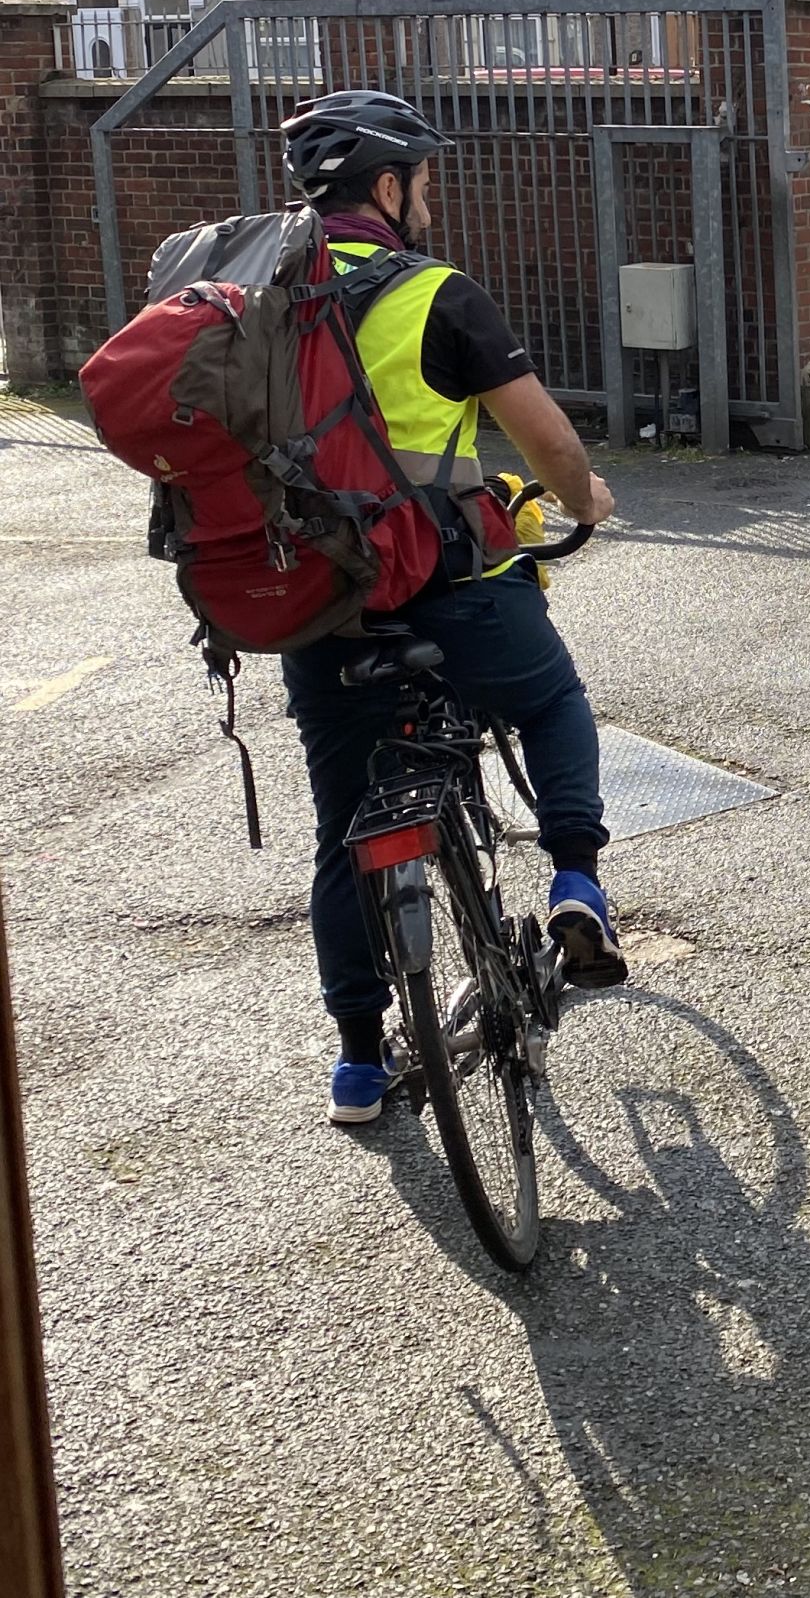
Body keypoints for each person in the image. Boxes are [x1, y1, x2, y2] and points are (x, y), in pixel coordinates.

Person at [272, 90, 626, 1129]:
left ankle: (355, 1064)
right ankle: (576, 880)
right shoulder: (438, 294)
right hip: (450, 583)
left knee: (344, 830)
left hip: (320, 601)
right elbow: (548, 442)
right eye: (421, 180)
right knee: (554, 704)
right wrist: (584, 500)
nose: (429, 197)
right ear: (388, 188)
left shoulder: (255, 299)